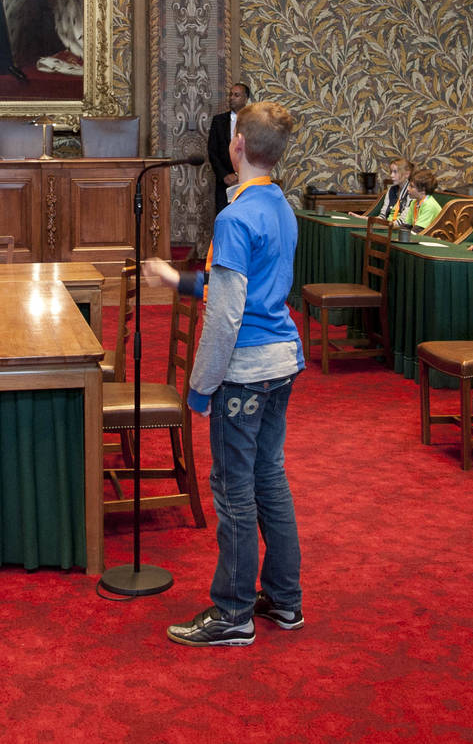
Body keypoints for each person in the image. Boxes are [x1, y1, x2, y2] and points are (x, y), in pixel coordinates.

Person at [142, 101, 302, 647]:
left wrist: (200, 386)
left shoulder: (234, 218)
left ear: (237, 147)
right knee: (269, 479)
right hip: (282, 361)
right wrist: (177, 280)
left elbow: (227, 313)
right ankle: (284, 600)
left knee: (233, 493)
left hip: (245, 370)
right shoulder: (280, 206)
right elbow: (243, 285)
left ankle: (233, 613)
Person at [208, 83, 250, 215]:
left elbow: (256, 149)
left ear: (245, 99)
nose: (231, 98)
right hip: (224, 183)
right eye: (230, 94)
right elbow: (212, 151)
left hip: (247, 181)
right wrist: (224, 175)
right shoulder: (218, 121)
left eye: (236, 95)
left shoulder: (254, 121)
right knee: (224, 217)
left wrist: (239, 176)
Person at [397, 168, 442, 233]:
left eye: (411, 186)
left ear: (423, 190)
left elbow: (418, 230)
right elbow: (407, 226)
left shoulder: (429, 205)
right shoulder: (414, 202)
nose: (408, 189)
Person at [370, 157, 411, 221]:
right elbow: (383, 216)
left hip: (399, 226)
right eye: (391, 172)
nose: (391, 175)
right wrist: (366, 219)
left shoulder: (412, 192)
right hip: (388, 224)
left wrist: (386, 224)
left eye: (395, 172)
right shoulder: (391, 190)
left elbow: (405, 221)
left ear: (407, 174)